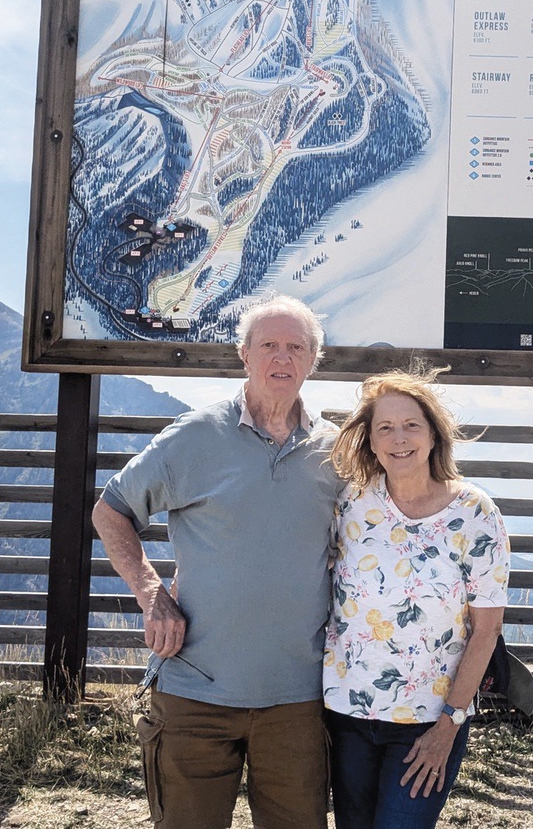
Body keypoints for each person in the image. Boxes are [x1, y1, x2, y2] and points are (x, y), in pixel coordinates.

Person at [92, 296, 341, 829]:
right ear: (244, 354)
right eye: (268, 345)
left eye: (296, 347)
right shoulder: (195, 436)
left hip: (297, 697)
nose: (282, 357)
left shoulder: (336, 452)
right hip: (192, 691)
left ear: (313, 360)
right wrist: (151, 592)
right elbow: (111, 511)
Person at [324, 366, 510, 829]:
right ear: (369, 440)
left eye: (411, 425)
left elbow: (486, 631)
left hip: (428, 720)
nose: (398, 437)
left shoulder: (474, 513)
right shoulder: (349, 503)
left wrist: (449, 723)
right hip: (345, 711)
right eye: (385, 427)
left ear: (432, 435)